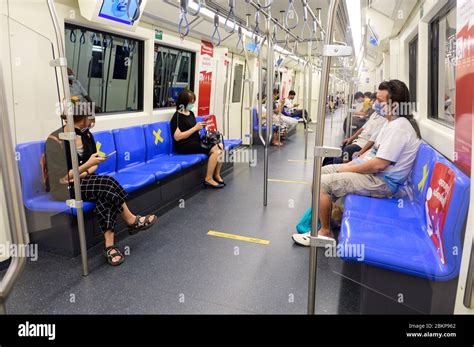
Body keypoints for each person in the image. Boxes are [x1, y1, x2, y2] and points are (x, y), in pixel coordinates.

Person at [293, 80, 422, 246]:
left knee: (321, 184)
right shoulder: (390, 123)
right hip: (374, 175)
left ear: (395, 105)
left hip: (382, 182)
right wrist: (350, 165)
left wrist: (347, 168)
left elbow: (378, 165)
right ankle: (330, 217)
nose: (375, 104)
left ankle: (325, 234)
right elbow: (373, 153)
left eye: (380, 102)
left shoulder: (398, 128)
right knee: (323, 171)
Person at [44, 102, 157, 266]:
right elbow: (62, 178)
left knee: (105, 194)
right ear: (80, 118)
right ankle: (131, 221)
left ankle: (110, 246)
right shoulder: (55, 141)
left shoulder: (86, 135)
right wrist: (86, 166)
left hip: (85, 179)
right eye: (90, 118)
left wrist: (85, 170)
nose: (92, 122)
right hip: (64, 189)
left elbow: (93, 165)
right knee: (107, 184)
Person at [170, 90, 225, 189]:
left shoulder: (190, 113)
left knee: (221, 146)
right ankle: (208, 179)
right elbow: (177, 137)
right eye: (190, 102)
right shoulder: (177, 117)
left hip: (195, 141)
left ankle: (216, 174)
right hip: (185, 145)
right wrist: (195, 128)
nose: (192, 104)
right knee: (216, 150)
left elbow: (194, 129)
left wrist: (200, 127)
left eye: (193, 102)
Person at [324, 88, 388, 166]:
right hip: (359, 140)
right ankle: (338, 160)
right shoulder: (375, 114)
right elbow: (362, 128)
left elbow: (372, 140)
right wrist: (351, 138)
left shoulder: (384, 120)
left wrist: (360, 152)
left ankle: (344, 166)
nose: (372, 102)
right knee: (343, 146)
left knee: (348, 149)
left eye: (378, 100)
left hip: (363, 144)